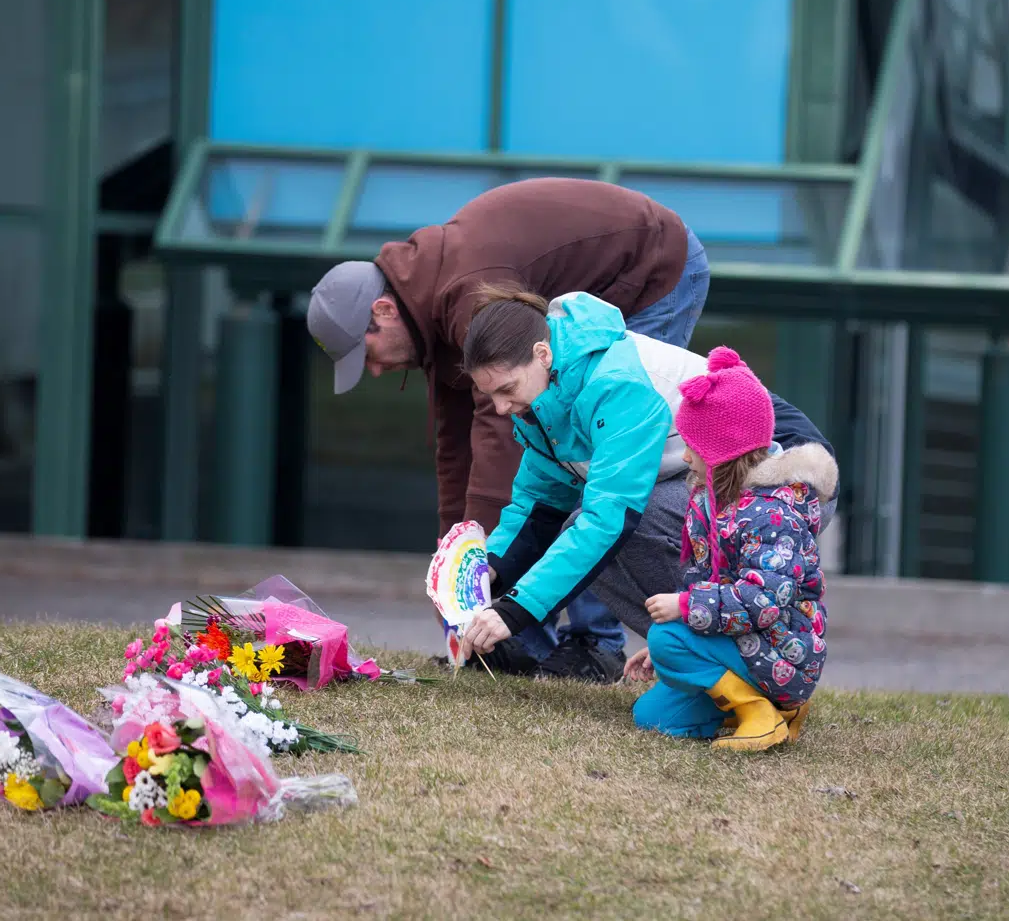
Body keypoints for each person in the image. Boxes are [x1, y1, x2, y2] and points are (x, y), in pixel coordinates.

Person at [307, 177, 711, 682]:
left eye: (365, 354)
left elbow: (503, 435)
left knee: (601, 478)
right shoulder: (432, 310)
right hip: (587, 300)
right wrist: (462, 563)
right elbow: (455, 450)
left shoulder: (469, 294)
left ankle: (594, 644)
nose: (374, 371)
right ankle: (524, 640)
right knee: (560, 463)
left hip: (653, 266)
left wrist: (495, 599)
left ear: (382, 312)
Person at [454, 288, 835, 682]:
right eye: (489, 394)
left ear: (541, 354)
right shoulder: (542, 393)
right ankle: (700, 656)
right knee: (590, 527)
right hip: (705, 475)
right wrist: (489, 569)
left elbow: (607, 520)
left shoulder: (614, 382)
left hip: (783, 470)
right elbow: (540, 502)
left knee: (624, 524)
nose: (499, 408)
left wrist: (515, 612)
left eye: (506, 390)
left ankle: (753, 660)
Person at [634, 347, 835, 750]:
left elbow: (765, 600)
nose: (685, 455)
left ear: (724, 454)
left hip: (786, 654)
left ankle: (759, 713)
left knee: (665, 638)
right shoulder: (711, 501)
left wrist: (686, 611)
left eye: (695, 446)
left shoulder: (772, 515)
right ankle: (778, 709)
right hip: (746, 645)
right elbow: (706, 577)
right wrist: (687, 644)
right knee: (652, 717)